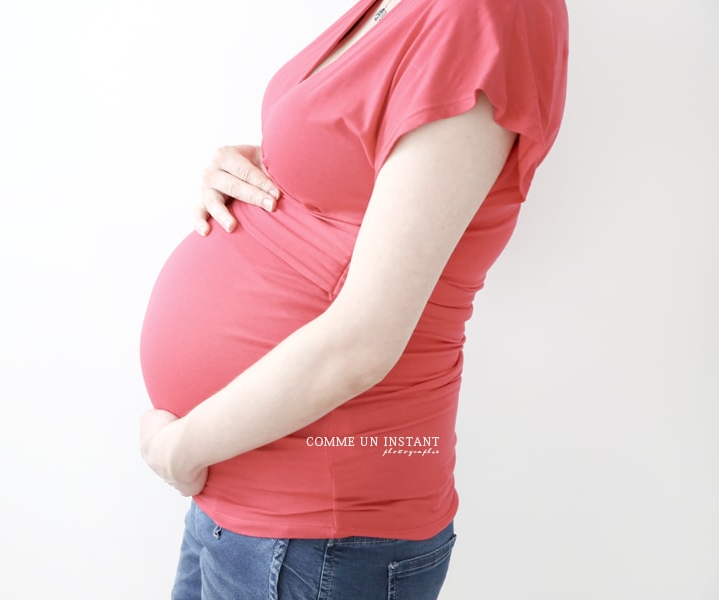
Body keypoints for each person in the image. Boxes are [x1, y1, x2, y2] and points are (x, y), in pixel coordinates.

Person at [138, 0, 568, 597]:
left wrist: (182, 449)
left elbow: (363, 342)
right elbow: (358, 176)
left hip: (317, 535)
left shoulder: (482, 15)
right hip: (245, 504)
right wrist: (259, 169)